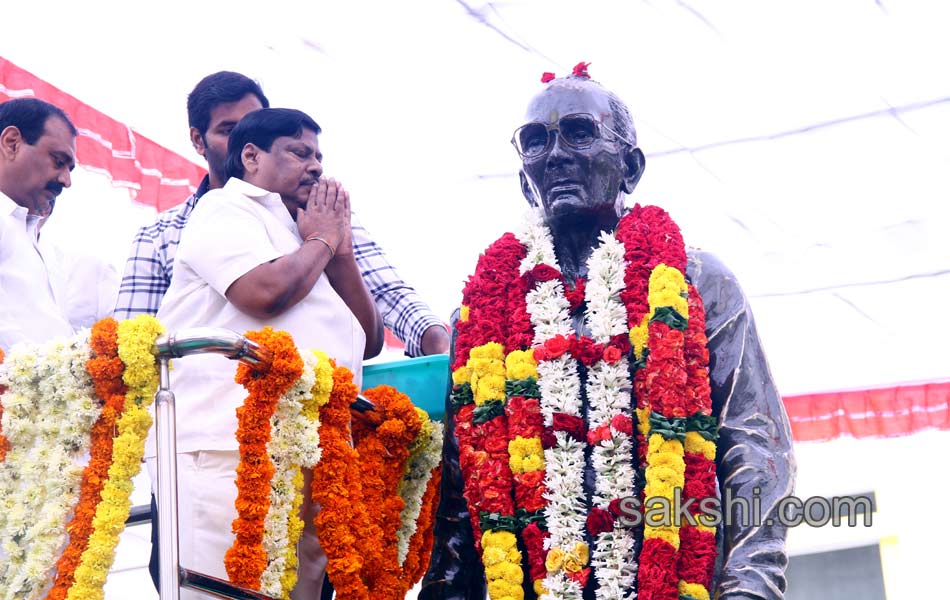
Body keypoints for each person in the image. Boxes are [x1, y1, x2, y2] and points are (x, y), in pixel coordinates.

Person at [421, 68, 795, 599]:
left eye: (578, 132)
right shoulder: (484, 315)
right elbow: (460, 497)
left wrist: (749, 587)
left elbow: (756, 449)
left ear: (631, 168)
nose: (554, 156)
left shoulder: (697, 283)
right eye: (535, 142)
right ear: (523, 177)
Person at [147, 107, 381, 599]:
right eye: (300, 152)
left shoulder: (306, 233)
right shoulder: (226, 208)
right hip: (225, 450)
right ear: (250, 156)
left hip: (312, 451)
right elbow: (261, 292)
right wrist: (320, 238)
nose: (316, 166)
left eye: (320, 156)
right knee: (222, 591)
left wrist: (338, 252)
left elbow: (370, 337)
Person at [114, 71, 449, 356]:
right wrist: (320, 241)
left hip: (308, 411)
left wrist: (440, 346)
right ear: (198, 140)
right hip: (214, 416)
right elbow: (132, 348)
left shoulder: (320, 213)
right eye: (228, 130)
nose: (243, 138)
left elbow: (383, 305)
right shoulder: (165, 234)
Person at [0, 98, 76, 350]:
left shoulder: (37, 241)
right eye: (58, 160)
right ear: (12, 144)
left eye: (70, 169)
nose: (66, 181)